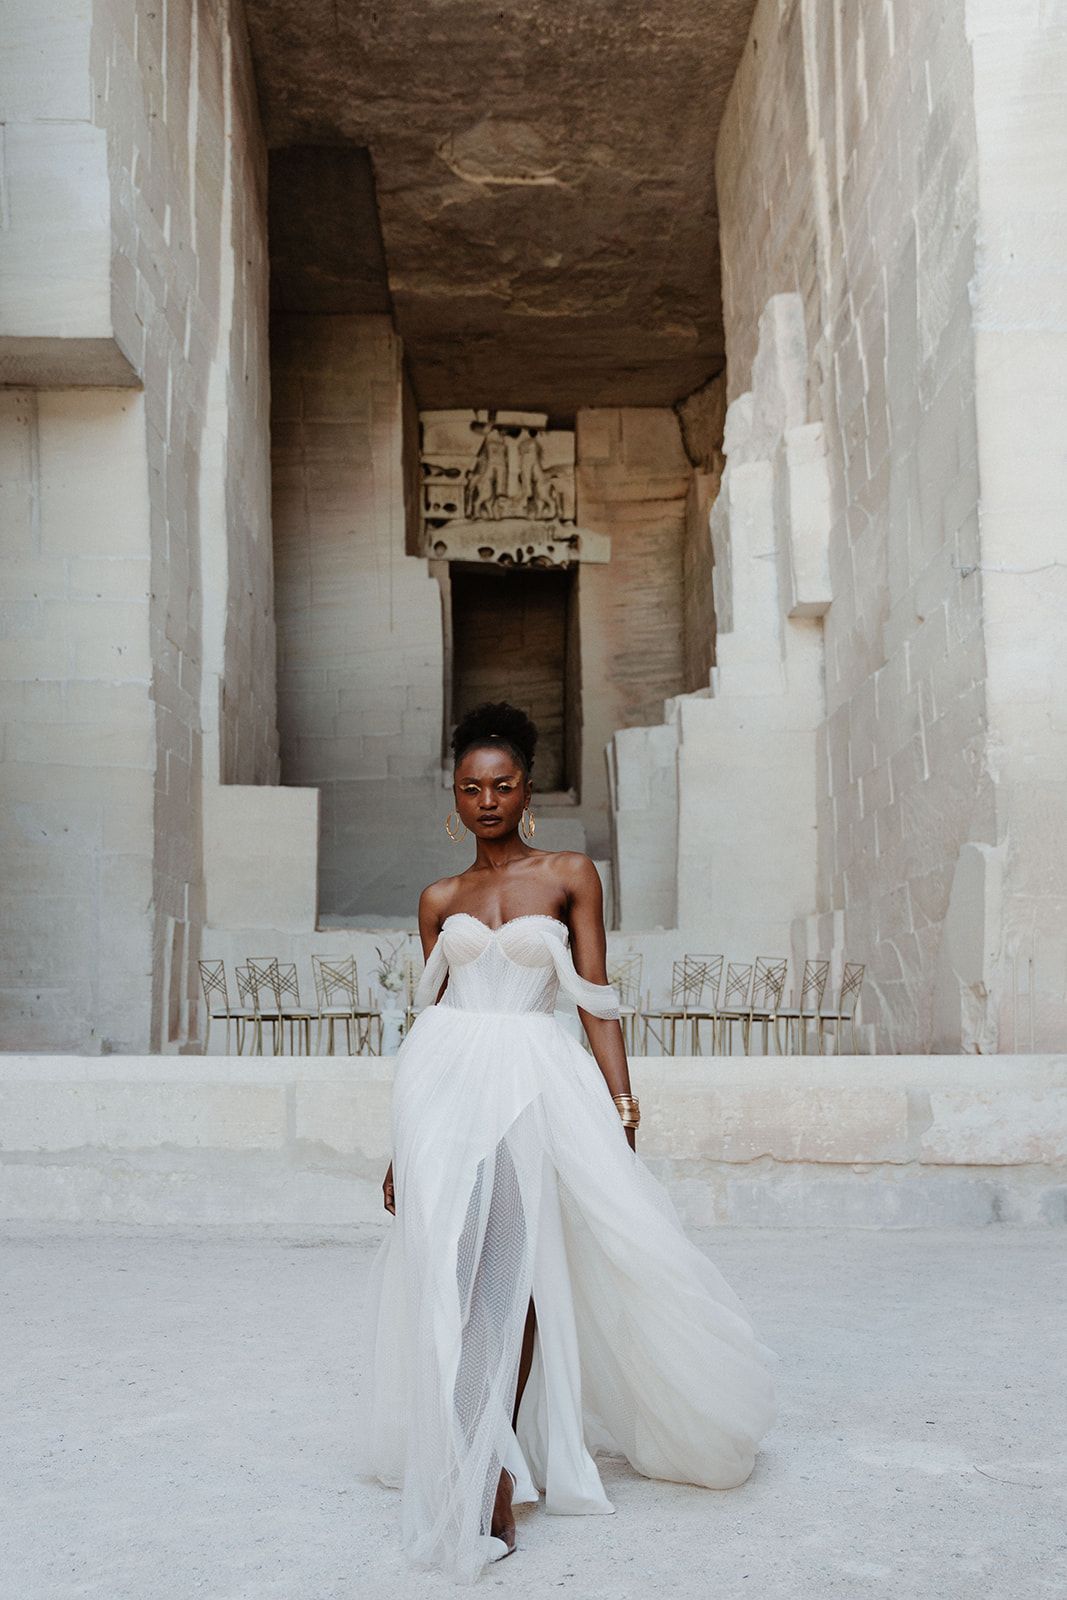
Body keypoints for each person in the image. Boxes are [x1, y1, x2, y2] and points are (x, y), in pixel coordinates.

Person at [365, 702, 776, 1582]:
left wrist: (621, 1109)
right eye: (471, 787)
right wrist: (402, 1144)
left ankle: (491, 1470)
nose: (486, 800)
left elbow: (596, 1001)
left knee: (510, 1271)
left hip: (532, 1087)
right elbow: (428, 1017)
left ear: (527, 790)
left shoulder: (569, 874)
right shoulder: (440, 898)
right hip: (442, 1092)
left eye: (502, 785)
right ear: (453, 794)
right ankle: (486, 1452)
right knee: (454, 1273)